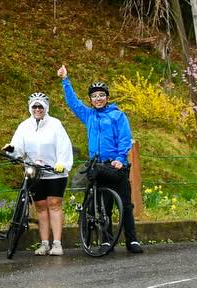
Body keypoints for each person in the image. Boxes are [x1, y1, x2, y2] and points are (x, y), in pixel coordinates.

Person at [58, 65, 142, 254]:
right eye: (94, 96)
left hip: (116, 165)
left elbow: (124, 138)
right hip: (98, 166)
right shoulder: (89, 115)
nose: (98, 99)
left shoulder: (117, 115)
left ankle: (132, 240)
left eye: (101, 95)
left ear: (107, 97)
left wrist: (121, 158)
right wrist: (65, 80)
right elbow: (74, 103)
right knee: (103, 206)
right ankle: (106, 240)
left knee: (126, 205)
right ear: (91, 99)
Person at [4, 91, 73, 256]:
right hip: (35, 172)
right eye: (34, 106)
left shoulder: (55, 124)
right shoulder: (24, 126)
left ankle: (57, 243)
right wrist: (11, 150)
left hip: (54, 172)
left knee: (54, 204)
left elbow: (64, 145)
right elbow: (18, 146)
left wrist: (61, 164)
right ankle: (44, 243)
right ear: (30, 108)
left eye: (40, 106)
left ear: (46, 108)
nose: (37, 109)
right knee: (41, 207)